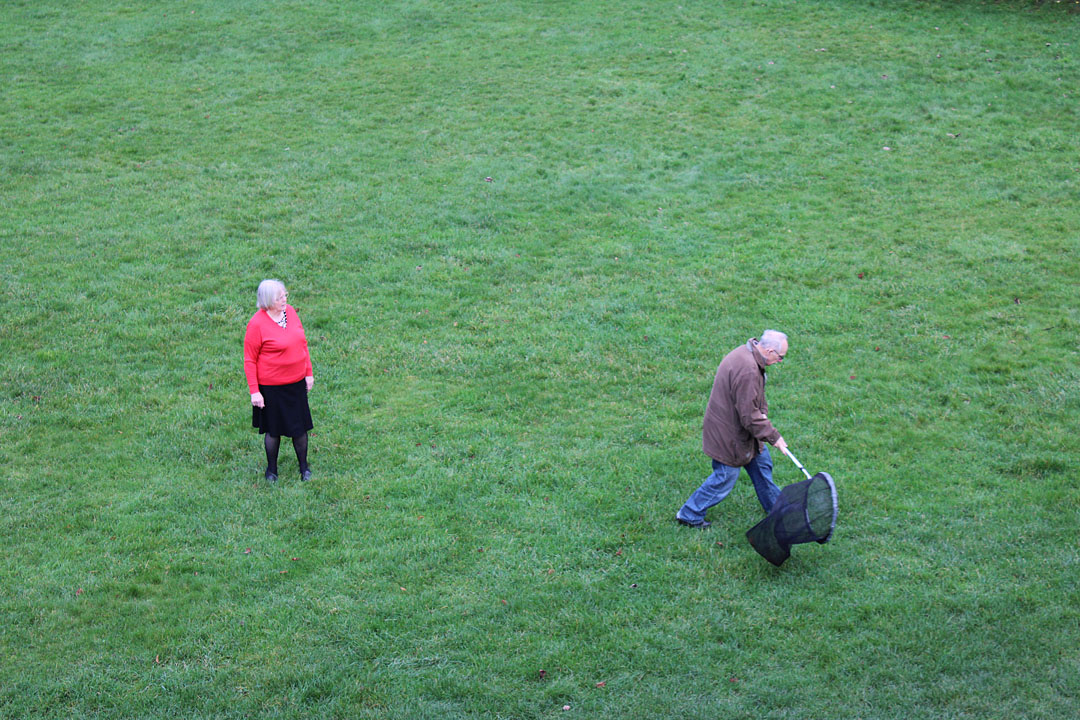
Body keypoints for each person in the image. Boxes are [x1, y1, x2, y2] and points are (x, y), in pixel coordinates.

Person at [675, 330, 790, 529]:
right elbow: (749, 416)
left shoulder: (748, 352)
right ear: (770, 351)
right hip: (729, 435)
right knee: (724, 477)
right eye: (780, 357)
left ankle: (776, 508)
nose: (780, 361)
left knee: (762, 465)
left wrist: (762, 413)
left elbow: (755, 401)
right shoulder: (748, 370)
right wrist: (774, 437)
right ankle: (689, 514)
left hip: (741, 430)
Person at [244, 279, 315, 482]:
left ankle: (304, 468)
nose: (284, 300)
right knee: (273, 431)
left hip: (296, 384)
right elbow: (249, 360)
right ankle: (272, 470)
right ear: (267, 301)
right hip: (271, 388)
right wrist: (254, 391)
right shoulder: (256, 324)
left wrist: (308, 373)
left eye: (285, 295)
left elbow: (302, 343)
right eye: (279, 298)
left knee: (299, 428)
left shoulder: (290, 312)